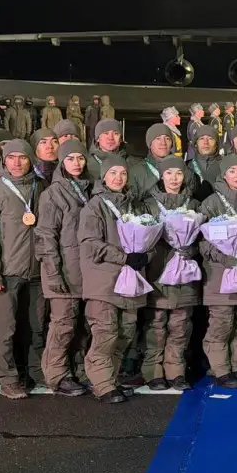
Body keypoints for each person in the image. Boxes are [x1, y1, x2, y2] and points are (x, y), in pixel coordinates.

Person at [78, 153, 150, 404]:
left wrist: (144, 255)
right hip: (104, 281)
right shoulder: (95, 206)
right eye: (113, 173)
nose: (118, 178)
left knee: (125, 333)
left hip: (129, 280)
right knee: (105, 332)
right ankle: (102, 384)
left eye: (123, 173)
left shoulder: (134, 205)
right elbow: (90, 243)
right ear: (103, 177)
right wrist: (123, 257)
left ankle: (111, 378)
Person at [37, 140, 91, 396]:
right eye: (70, 159)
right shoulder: (53, 194)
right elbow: (46, 236)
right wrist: (53, 272)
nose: (76, 163)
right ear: (61, 162)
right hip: (63, 270)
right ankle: (57, 375)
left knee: (82, 326)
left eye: (80, 158)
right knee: (63, 324)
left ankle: (79, 369)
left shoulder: (90, 189)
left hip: (86, 270)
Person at [142, 157, 200, 391]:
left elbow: (204, 238)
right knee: (156, 324)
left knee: (181, 324)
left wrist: (192, 249)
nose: (174, 178)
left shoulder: (193, 204)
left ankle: (176, 371)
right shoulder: (148, 204)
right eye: (169, 173)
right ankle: (153, 371)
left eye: (179, 173)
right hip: (158, 272)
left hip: (185, 272)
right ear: (161, 176)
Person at [198, 155, 237, 389]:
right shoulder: (211, 203)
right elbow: (201, 240)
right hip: (219, 274)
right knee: (221, 324)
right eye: (232, 171)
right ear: (223, 175)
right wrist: (224, 258)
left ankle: (236, 366)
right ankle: (220, 369)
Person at [0, 140, 47, 399]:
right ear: (4, 160)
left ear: (31, 160)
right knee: (5, 330)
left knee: (34, 327)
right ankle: (8, 379)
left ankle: (32, 373)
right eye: (11, 157)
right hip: (8, 271)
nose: (17, 163)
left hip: (37, 270)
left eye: (23, 157)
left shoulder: (41, 187)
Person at [188, 125, 221, 202]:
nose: (206, 142)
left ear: (216, 144)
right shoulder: (186, 166)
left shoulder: (227, 165)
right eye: (201, 138)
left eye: (210, 138)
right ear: (196, 144)